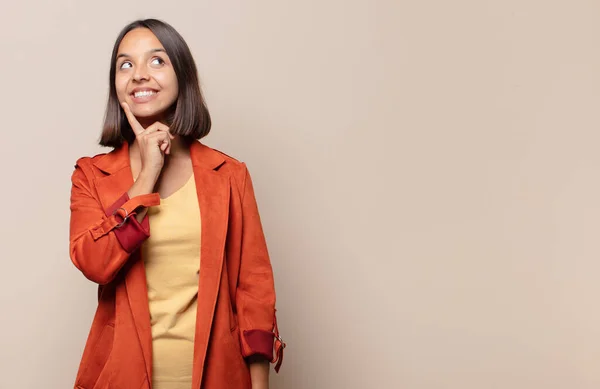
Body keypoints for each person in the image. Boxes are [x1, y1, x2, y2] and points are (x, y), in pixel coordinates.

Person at [68, 19, 284, 389]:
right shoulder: (91, 175)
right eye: (125, 65)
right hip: (122, 378)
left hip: (217, 378)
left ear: (182, 75)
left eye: (156, 61)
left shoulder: (228, 175)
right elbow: (94, 262)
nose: (138, 74)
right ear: (115, 87)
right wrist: (145, 178)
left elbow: (254, 291)